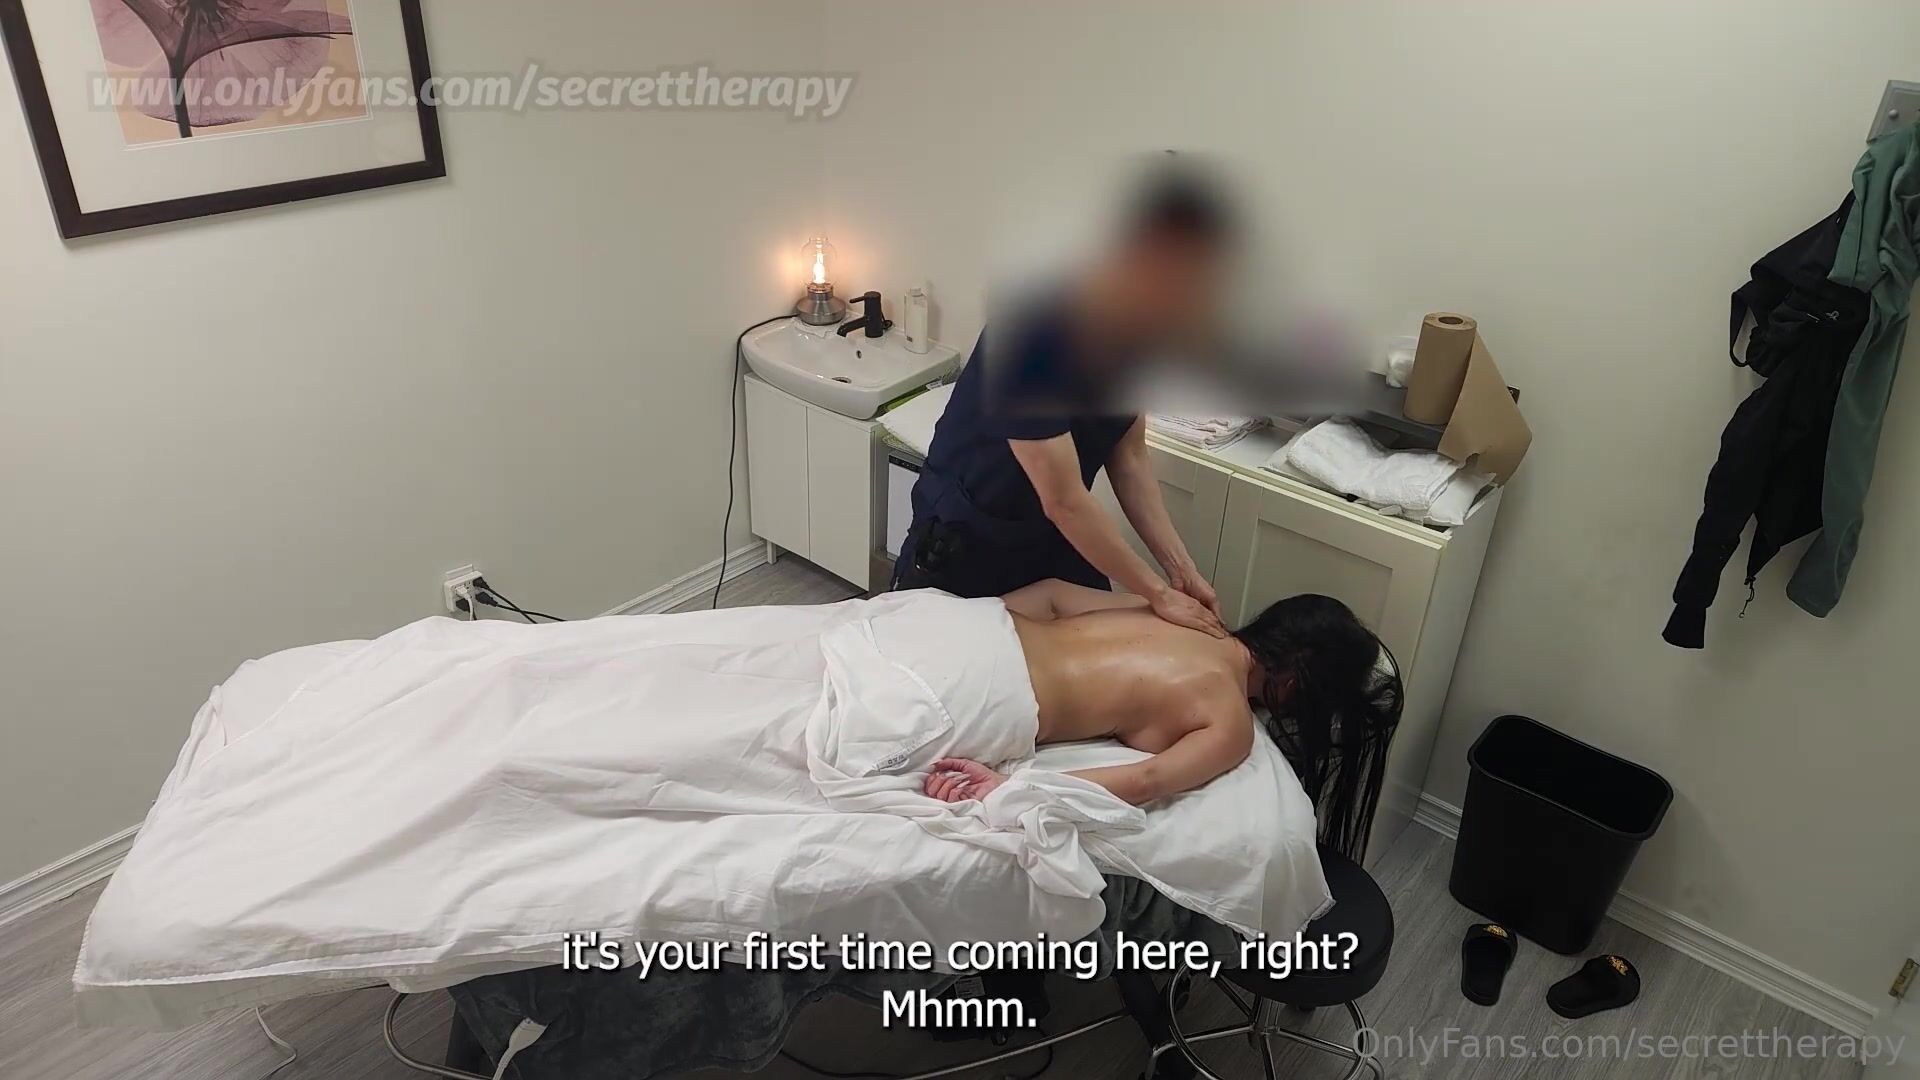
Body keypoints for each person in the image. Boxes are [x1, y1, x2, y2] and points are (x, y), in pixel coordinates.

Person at [892, 167, 1238, 637]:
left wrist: (1180, 571)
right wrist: (1157, 593)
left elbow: (1130, 458)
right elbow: (1064, 500)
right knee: (956, 657)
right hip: (970, 535)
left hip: (1053, 537)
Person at [924, 579, 1397, 811]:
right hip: (987, 694)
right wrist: (1009, 789)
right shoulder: (1230, 724)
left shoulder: (1180, 611)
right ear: (1295, 683)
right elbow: (1145, 781)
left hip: (956, 623)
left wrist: (972, 629)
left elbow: (1050, 596)